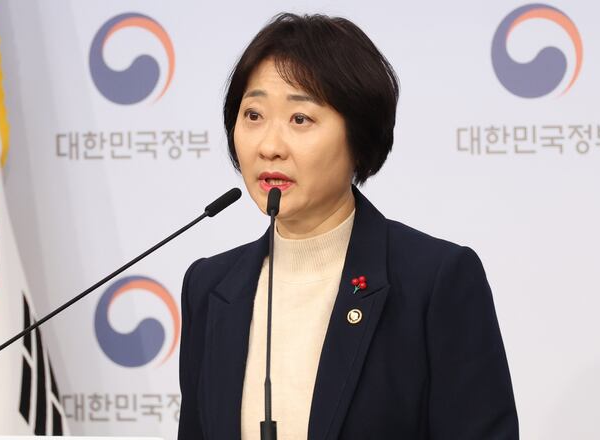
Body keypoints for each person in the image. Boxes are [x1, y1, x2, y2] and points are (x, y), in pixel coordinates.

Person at [178, 13, 518, 440]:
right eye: (253, 115)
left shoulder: (435, 281)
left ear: (358, 137)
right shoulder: (209, 288)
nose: (269, 146)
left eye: (300, 119)